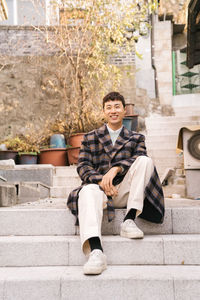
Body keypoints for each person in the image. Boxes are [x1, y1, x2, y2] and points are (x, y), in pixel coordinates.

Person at [67, 91, 165, 275]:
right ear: (104, 112)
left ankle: (129, 221)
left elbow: (139, 156)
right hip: (100, 192)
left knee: (145, 161)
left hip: (126, 192)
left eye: (117, 106)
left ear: (124, 110)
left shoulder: (136, 138)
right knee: (87, 191)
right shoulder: (90, 137)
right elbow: (83, 166)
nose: (113, 111)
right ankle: (96, 252)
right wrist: (101, 180)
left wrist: (116, 169)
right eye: (109, 107)